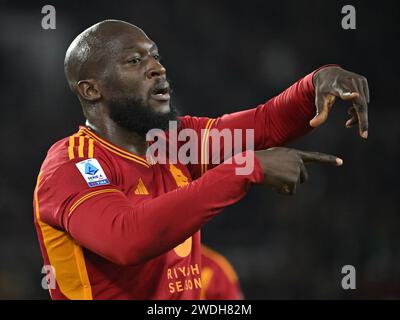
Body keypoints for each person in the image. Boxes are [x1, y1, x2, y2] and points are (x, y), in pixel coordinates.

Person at [33, 19, 369, 299]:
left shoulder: (176, 142)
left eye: (155, 56)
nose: (157, 68)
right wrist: (245, 168)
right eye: (135, 61)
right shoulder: (70, 166)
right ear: (92, 90)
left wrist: (316, 83)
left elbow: (265, 124)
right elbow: (126, 238)